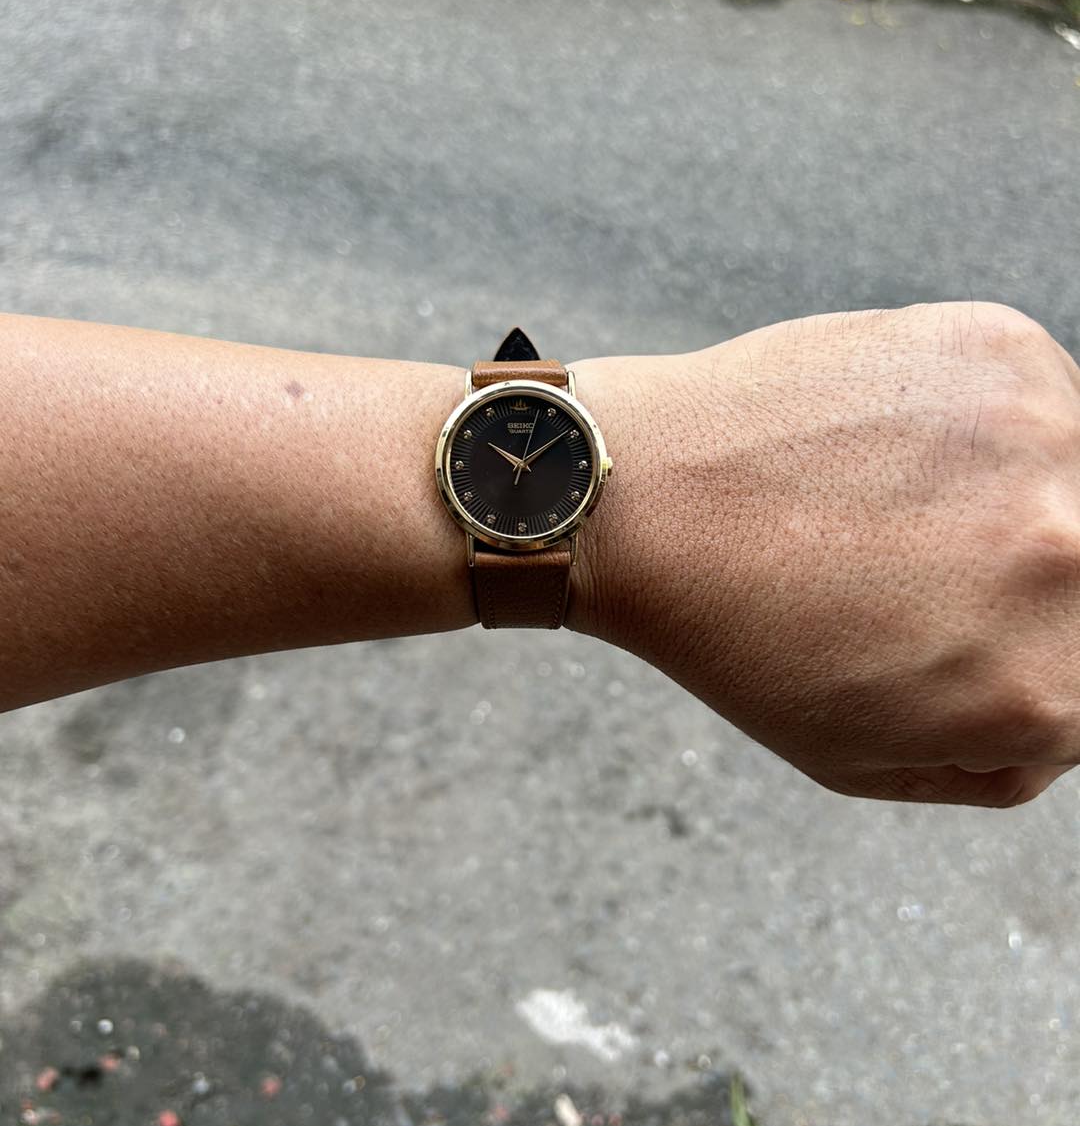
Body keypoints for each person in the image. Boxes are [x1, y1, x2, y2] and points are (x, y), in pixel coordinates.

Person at [2, 300, 1076, 807]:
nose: (519, 464)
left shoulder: (552, 459)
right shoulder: (519, 467)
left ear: (590, 463)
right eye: (505, 454)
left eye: (542, 456)